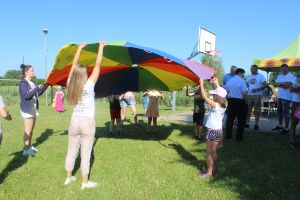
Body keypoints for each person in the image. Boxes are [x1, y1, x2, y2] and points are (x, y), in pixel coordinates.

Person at [64, 41, 106, 189]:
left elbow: (73, 65)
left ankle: (68, 178)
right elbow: (98, 64)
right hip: (87, 121)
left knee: (71, 150)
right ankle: (85, 182)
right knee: (86, 153)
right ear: (84, 75)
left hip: (74, 120)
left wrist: (79, 49)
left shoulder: (70, 83)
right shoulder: (89, 84)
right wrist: (101, 47)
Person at [197, 77, 227, 177]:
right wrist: (216, 83)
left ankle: (209, 173)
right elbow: (222, 91)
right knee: (214, 151)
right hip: (218, 131)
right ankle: (214, 168)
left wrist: (201, 84)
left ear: (218, 97)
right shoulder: (225, 103)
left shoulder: (216, 105)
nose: (213, 95)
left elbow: (205, 97)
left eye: (214, 94)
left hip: (212, 131)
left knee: (209, 153)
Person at [19, 64, 48, 156]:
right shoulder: (23, 83)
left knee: (31, 129)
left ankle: (30, 146)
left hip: (33, 108)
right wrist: (36, 88)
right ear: (26, 72)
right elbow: (26, 96)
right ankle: (26, 150)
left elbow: (38, 93)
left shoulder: (33, 82)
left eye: (33, 70)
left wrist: (47, 84)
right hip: (27, 109)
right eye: (32, 70)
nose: (34, 71)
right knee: (28, 130)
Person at [224, 68, 248, 141]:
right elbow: (245, 93)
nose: (243, 75)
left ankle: (228, 136)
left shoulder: (229, 81)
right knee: (241, 120)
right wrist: (246, 101)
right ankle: (239, 137)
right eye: (243, 73)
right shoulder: (242, 81)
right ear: (240, 73)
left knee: (230, 119)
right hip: (240, 101)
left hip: (230, 101)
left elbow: (225, 92)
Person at [272, 64, 295, 135]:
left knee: (286, 113)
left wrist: (279, 84)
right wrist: (283, 84)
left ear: (288, 69)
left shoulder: (291, 76)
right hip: (280, 97)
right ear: (281, 69)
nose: (284, 70)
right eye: (282, 68)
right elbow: (274, 84)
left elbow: (287, 86)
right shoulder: (280, 76)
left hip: (287, 98)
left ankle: (286, 128)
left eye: (285, 68)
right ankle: (280, 125)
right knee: (279, 112)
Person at [245, 64, 268, 130]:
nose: (251, 70)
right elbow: (246, 84)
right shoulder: (249, 76)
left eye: (253, 69)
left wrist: (257, 89)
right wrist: (248, 89)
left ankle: (256, 124)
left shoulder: (261, 76)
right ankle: (247, 123)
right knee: (248, 110)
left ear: (256, 69)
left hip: (257, 95)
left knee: (257, 111)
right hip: (249, 95)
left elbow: (265, 85)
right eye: (251, 69)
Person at [289, 73, 300, 148]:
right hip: (296, 103)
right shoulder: (296, 78)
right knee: (294, 122)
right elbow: (291, 89)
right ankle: (292, 141)